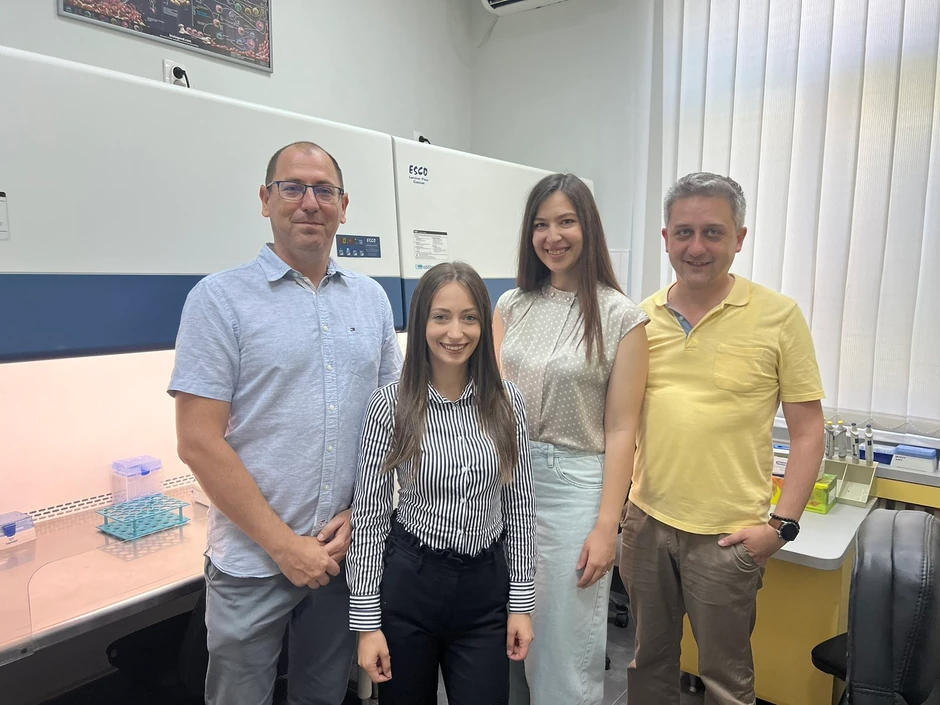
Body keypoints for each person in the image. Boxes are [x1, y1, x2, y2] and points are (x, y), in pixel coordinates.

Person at [169, 141, 403, 705]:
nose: (309, 202)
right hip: (252, 561)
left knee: (323, 695)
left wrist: (362, 515)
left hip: (343, 554)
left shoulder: (371, 300)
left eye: (324, 190)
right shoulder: (218, 300)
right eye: (292, 187)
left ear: (343, 206)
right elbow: (198, 441)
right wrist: (283, 546)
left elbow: (393, 423)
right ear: (265, 199)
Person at [621, 172, 825, 705]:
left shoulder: (778, 317)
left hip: (728, 536)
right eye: (684, 233)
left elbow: (808, 432)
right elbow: (620, 423)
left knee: (726, 681)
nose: (697, 247)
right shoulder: (639, 319)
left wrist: (781, 526)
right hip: (646, 524)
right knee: (647, 663)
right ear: (666, 238)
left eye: (713, 232)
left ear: (739, 238)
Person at [349, 261, 537, 705]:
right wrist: (367, 625)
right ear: (421, 323)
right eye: (441, 317)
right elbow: (370, 518)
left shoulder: (507, 403)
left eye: (469, 317)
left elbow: (521, 509)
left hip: (484, 591)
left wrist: (521, 604)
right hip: (411, 584)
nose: (456, 332)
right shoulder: (391, 405)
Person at [495, 173, 649, 705]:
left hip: (572, 487)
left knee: (563, 653)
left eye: (566, 221)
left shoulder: (621, 317)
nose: (552, 236)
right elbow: (489, 400)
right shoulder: (511, 305)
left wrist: (607, 526)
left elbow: (622, 429)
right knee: (506, 639)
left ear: (588, 228)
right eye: (541, 224)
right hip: (499, 482)